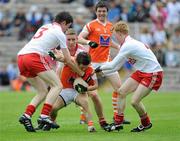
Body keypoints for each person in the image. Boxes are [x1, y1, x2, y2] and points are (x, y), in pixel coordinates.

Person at [17, 11, 86, 132]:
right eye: (68, 26)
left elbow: (48, 46)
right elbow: (68, 60)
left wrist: (57, 56)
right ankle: (44, 116)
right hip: (33, 57)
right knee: (57, 85)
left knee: (42, 91)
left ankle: (26, 115)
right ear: (64, 23)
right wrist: (81, 73)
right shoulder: (59, 33)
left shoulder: (45, 26)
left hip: (21, 57)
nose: (66, 30)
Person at [95, 21, 163, 132]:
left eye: (115, 35)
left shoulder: (128, 45)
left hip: (152, 73)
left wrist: (95, 71)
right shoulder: (127, 44)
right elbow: (114, 67)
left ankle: (146, 124)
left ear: (120, 33)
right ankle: (118, 123)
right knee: (121, 92)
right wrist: (100, 72)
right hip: (142, 71)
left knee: (134, 101)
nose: (115, 38)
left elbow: (113, 66)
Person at [78, 0, 130, 124]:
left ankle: (117, 117)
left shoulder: (110, 26)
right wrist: (88, 42)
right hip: (92, 63)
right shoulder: (90, 25)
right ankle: (83, 116)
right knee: (89, 90)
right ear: (96, 12)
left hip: (107, 63)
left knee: (120, 89)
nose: (102, 13)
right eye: (99, 11)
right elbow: (79, 38)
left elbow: (107, 42)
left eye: (104, 11)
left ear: (107, 12)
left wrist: (118, 47)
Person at [57, 28, 108, 129]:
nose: (71, 42)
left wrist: (86, 84)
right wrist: (57, 86)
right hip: (67, 81)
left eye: (73, 39)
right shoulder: (62, 50)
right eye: (68, 40)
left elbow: (88, 66)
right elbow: (59, 68)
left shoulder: (82, 50)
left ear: (77, 39)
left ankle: (102, 120)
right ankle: (51, 120)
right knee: (54, 97)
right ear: (65, 40)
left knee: (94, 95)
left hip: (82, 78)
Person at [50, 51, 97, 132]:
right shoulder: (71, 61)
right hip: (65, 90)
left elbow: (96, 85)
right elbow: (62, 58)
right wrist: (55, 56)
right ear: (77, 62)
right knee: (53, 108)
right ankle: (52, 121)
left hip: (79, 92)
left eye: (86, 67)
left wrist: (86, 89)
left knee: (85, 104)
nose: (84, 69)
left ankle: (91, 126)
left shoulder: (91, 69)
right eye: (82, 67)